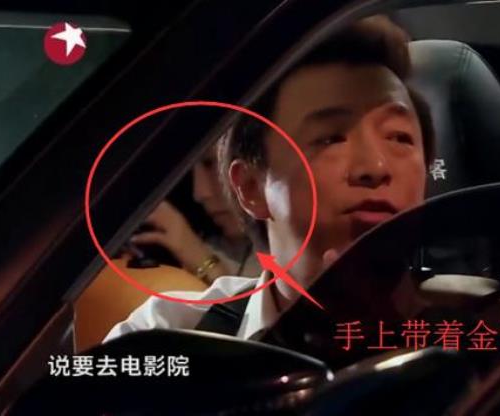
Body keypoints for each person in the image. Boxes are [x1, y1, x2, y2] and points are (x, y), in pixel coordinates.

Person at [104, 16, 435, 341]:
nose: (375, 166)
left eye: (399, 137)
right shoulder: (168, 334)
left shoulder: (464, 327)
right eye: (331, 138)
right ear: (251, 187)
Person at [131, 139, 261, 284]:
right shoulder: (212, 245)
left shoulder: (278, 252)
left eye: (210, 164)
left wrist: (204, 262)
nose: (199, 193)